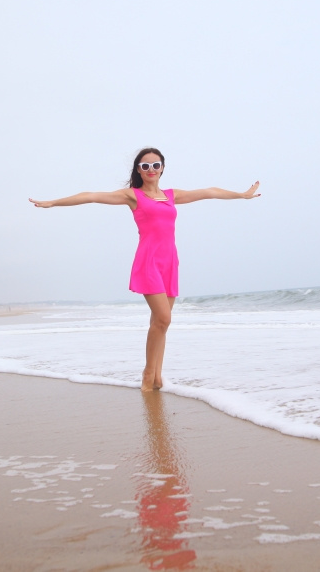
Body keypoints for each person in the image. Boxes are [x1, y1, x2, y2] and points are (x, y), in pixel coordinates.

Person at [29, 147, 260, 392]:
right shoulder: (133, 196)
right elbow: (92, 196)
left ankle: (158, 375)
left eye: (156, 165)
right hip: (148, 261)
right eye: (145, 166)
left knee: (161, 323)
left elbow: (209, 192)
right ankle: (148, 375)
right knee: (163, 318)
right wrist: (54, 202)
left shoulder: (172, 196)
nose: (151, 170)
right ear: (139, 170)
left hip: (170, 261)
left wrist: (241, 195)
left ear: (162, 168)